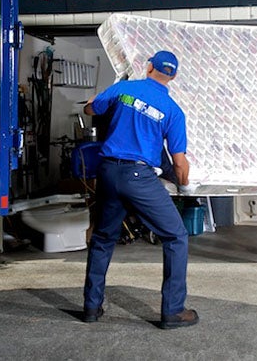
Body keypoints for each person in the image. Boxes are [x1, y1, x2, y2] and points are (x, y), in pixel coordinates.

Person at [82, 50, 199, 329]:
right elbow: (180, 162)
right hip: (139, 177)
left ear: (148, 67)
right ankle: (172, 311)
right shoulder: (172, 111)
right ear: (173, 76)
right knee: (176, 236)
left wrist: (93, 102)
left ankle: (91, 307)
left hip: (108, 172)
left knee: (102, 238)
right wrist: (183, 185)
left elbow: (90, 109)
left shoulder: (124, 89)